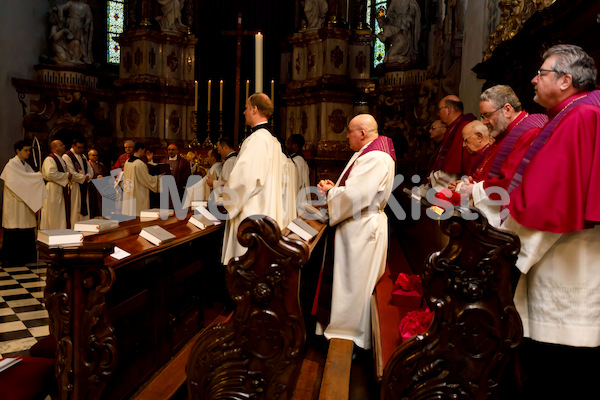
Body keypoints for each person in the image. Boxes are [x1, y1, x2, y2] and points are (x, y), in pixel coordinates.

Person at [502, 44, 600, 398]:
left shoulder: (579, 116)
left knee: (558, 368)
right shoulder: (580, 110)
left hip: (568, 260)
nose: (534, 78)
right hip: (569, 254)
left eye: (541, 72)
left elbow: (549, 200)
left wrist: (509, 250)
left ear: (565, 80)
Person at [316, 114, 396, 350]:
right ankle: (344, 335)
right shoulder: (369, 154)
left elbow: (356, 196)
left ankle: (349, 339)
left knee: (353, 286)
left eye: (350, 131)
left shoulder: (375, 157)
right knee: (350, 284)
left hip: (361, 230)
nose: (347, 136)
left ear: (362, 133)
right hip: (357, 226)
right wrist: (335, 190)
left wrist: (331, 194)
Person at [448, 85, 547, 227]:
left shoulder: (529, 133)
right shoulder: (504, 134)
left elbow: (511, 183)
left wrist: (473, 189)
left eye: (487, 115)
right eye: (483, 116)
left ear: (507, 109)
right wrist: (474, 183)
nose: (484, 122)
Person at [220, 93, 291, 265]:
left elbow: (244, 180)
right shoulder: (273, 141)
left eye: (245, 108)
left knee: (244, 266)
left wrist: (225, 198)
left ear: (254, 109)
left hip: (251, 216)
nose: (244, 112)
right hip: (266, 212)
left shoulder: (257, 140)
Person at [1, 141, 47, 266]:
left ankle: (26, 257)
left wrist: (37, 177)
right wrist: (37, 177)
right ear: (18, 151)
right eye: (26, 150)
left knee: (26, 228)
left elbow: (30, 178)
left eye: (29, 150)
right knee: (14, 229)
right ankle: (11, 259)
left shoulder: (25, 165)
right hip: (15, 204)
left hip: (25, 203)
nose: (28, 153)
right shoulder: (11, 165)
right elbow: (18, 183)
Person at [429, 95, 475, 189]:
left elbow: (459, 161)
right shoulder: (451, 127)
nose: (438, 113)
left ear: (448, 110)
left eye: (440, 109)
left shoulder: (464, 126)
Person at [121, 142, 161, 216]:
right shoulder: (139, 164)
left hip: (129, 194)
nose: (144, 153)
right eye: (144, 151)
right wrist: (159, 178)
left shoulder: (127, 162)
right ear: (140, 149)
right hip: (138, 195)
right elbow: (148, 180)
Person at [40, 140, 72, 230]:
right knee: (53, 212)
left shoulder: (60, 159)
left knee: (60, 212)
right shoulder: (49, 159)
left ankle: (60, 230)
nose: (64, 146)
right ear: (55, 148)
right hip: (53, 189)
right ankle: (52, 231)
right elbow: (50, 173)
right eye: (61, 145)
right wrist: (66, 175)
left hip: (60, 187)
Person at [63, 138, 93, 228]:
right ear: (73, 146)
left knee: (84, 208)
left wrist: (88, 176)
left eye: (82, 148)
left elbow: (90, 169)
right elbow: (71, 172)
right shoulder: (67, 156)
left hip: (83, 186)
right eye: (79, 147)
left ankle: (84, 228)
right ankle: (74, 228)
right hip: (74, 187)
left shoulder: (83, 156)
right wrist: (84, 177)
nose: (81, 150)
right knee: (75, 209)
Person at [56, 0, 93, 64]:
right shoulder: (71, 3)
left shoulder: (86, 6)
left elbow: (88, 17)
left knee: (79, 41)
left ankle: (78, 57)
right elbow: (62, 7)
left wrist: (85, 25)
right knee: (68, 38)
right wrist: (57, 9)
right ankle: (69, 55)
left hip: (79, 24)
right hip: (70, 23)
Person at [287, 134, 311, 207]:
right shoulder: (296, 159)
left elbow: (298, 182)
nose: (288, 145)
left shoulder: (298, 161)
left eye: (289, 143)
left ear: (296, 145)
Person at [87, 149, 108, 218]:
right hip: (92, 188)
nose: (95, 157)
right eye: (93, 155)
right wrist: (95, 178)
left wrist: (102, 177)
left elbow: (106, 174)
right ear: (89, 156)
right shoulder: (87, 165)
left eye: (96, 155)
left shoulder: (100, 165)